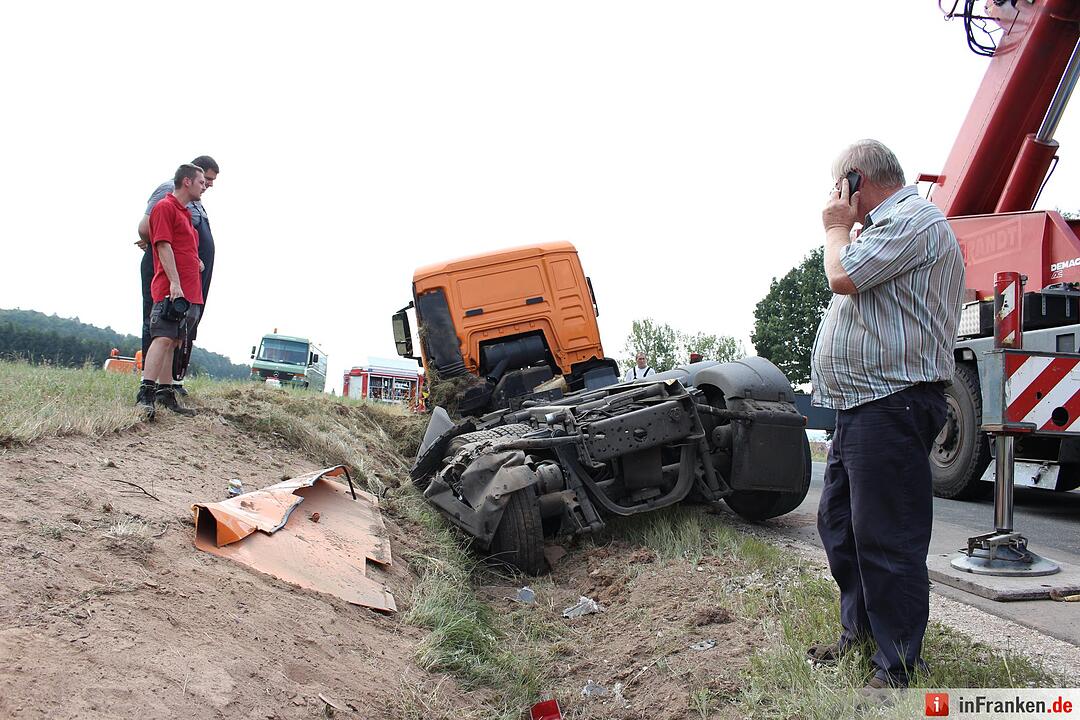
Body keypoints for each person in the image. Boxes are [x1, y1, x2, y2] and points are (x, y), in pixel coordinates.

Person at [808, 139, 965, 689]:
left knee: (886, 536)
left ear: (855, 180)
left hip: (892, 401)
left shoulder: (913, 219)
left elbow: (841, 275)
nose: (833, 197)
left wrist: (834, 226)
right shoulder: (882, 231)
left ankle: (897, 665)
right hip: (862, 404)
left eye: (837, 185)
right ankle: (862, 635)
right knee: (840, 526)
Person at [136, 155, 219, 394]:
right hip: (172, 279)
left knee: (177, 335)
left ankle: (169, 387)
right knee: (162, 330)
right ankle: (148, 387)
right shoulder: (167, 198)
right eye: (206, 180)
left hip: (190, 279)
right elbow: (151, 230)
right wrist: (156, 245)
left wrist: (195, 260)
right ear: (189, 179)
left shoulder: (188, 208)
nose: (208, 185)